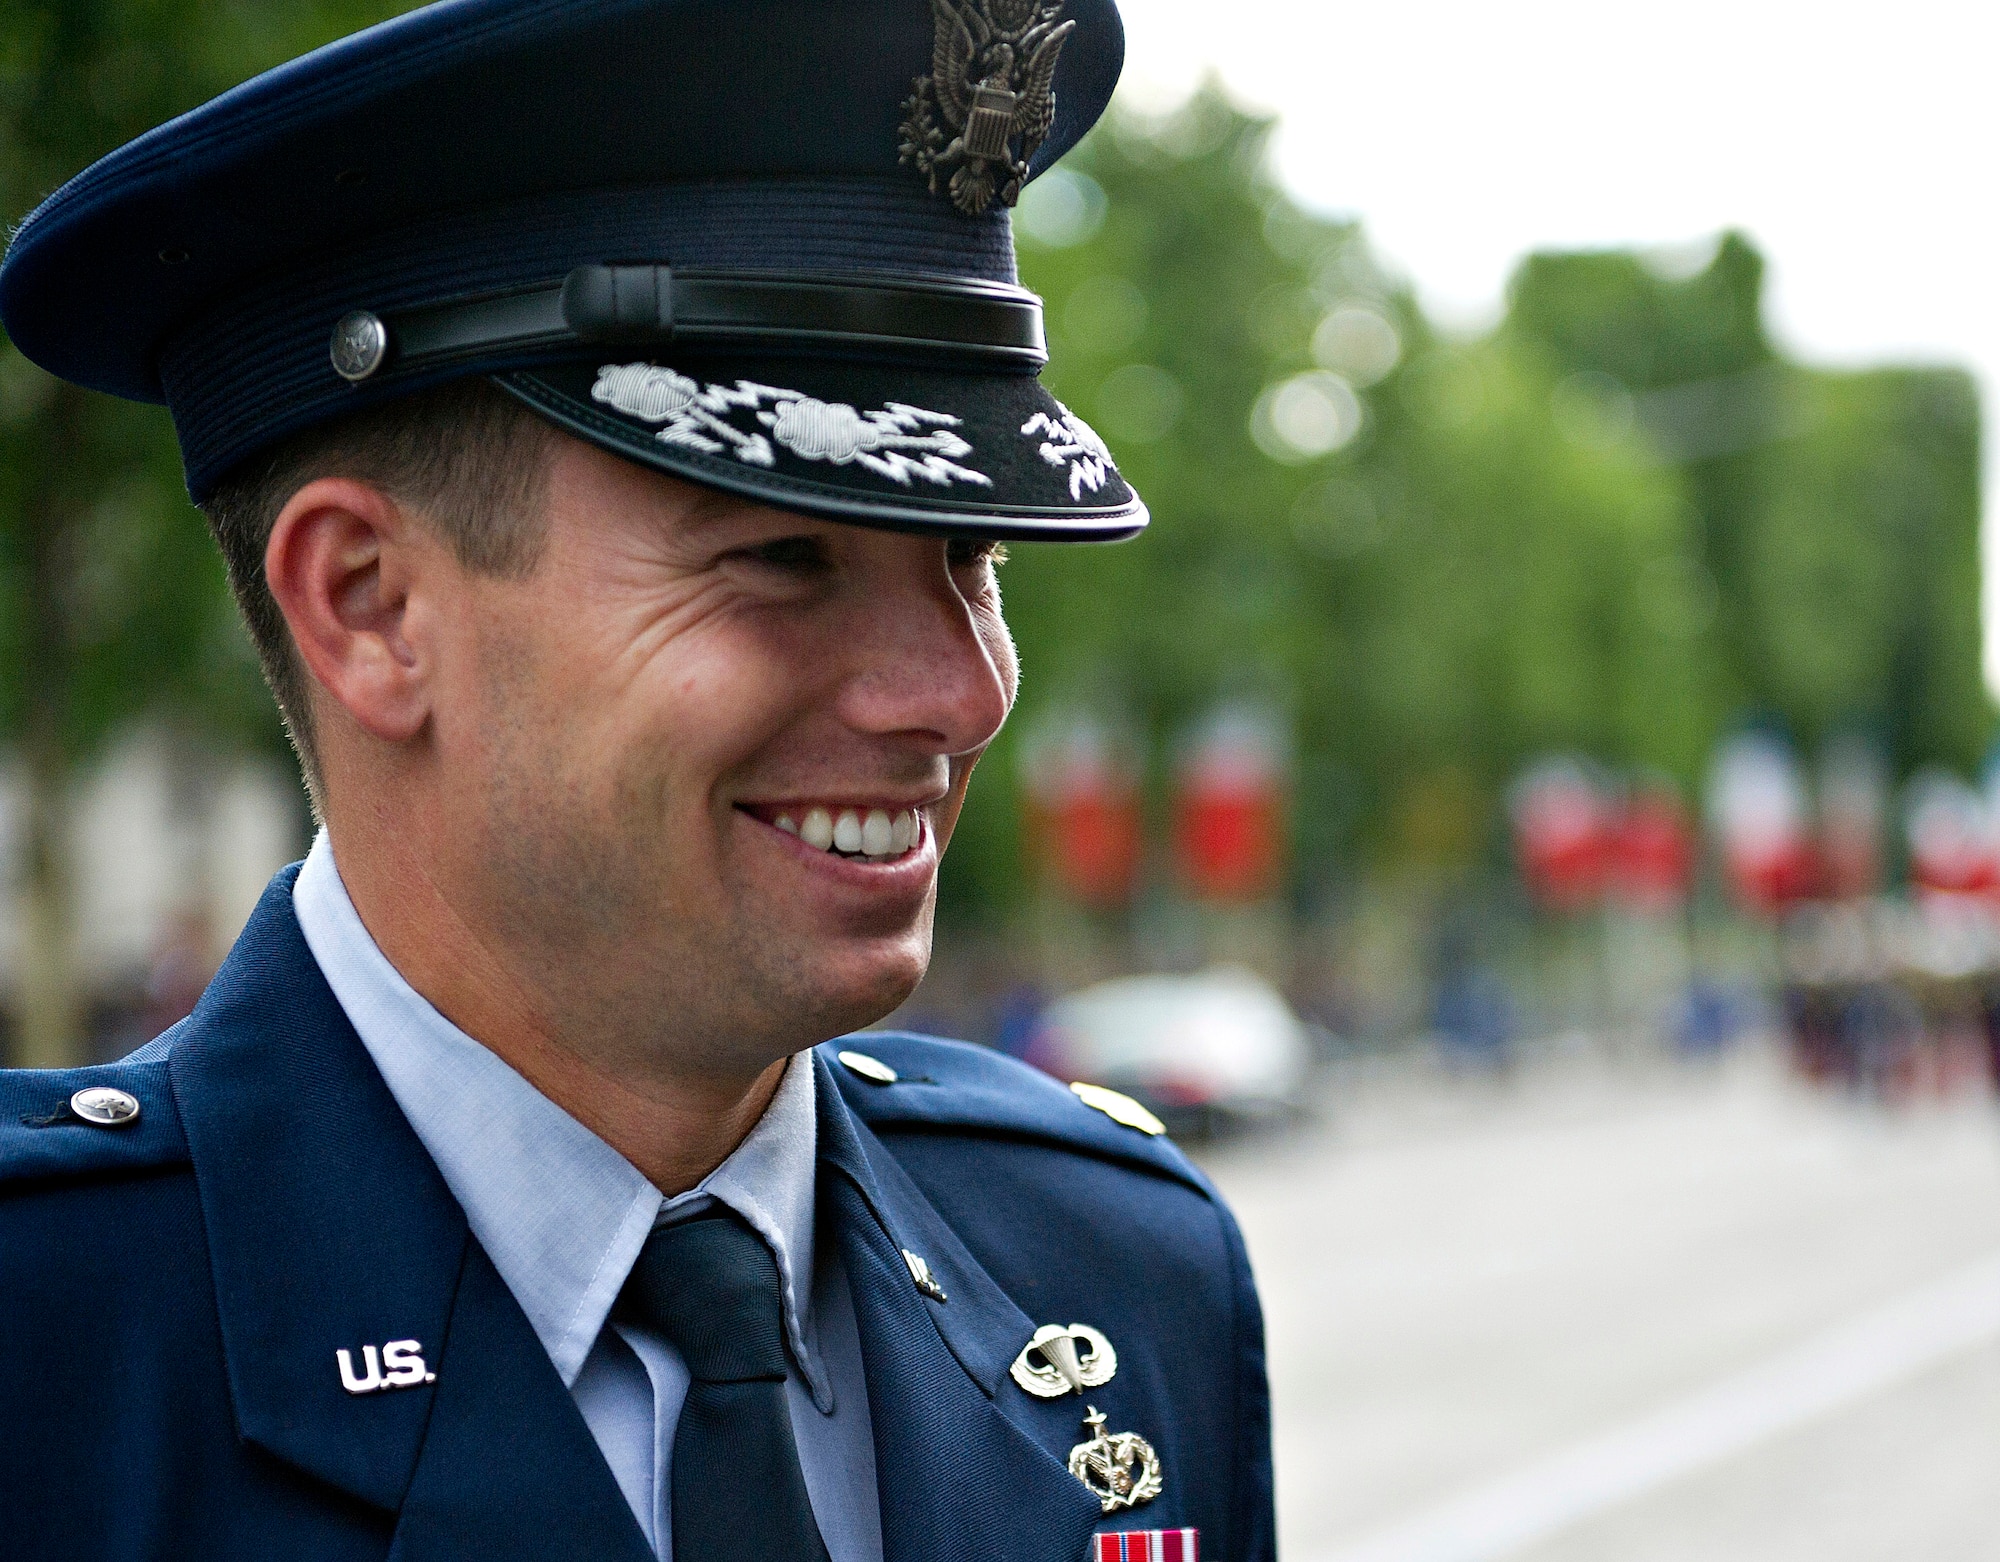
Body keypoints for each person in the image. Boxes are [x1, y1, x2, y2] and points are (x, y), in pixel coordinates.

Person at [0, 2, 1274, 1560]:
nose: (961, 691)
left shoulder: (1122, 1268)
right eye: (783, 556)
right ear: (368, 605)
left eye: (972, 557)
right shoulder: (50, 1350)